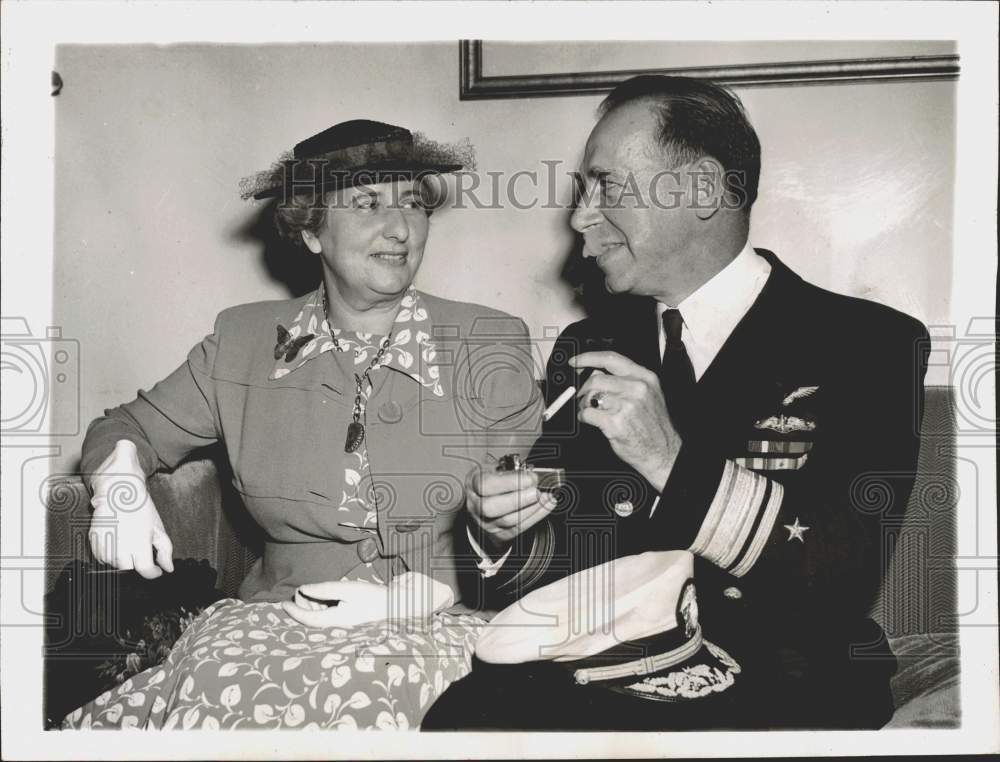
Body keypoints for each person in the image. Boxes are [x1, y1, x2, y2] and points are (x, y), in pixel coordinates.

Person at [425, 75, 929, 730]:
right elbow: (549, 581)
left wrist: (671, 461)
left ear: (701, 189)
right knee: (460, 721)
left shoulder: (869, 344)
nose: (580, 217)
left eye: (606, 186)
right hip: (602, 674)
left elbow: (841, 578)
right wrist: (502, 535)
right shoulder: (590, 344)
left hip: (785, 686)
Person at [62, 119, 542, 729]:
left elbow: (536, 525)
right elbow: (126, 427)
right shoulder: (241, 341)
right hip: (278, 621)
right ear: (311, 229)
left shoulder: (489, 342)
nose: (401, 229)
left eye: (414, 204)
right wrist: (120, 483)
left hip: (446, 619)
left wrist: (419, 593)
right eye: (368, 204)